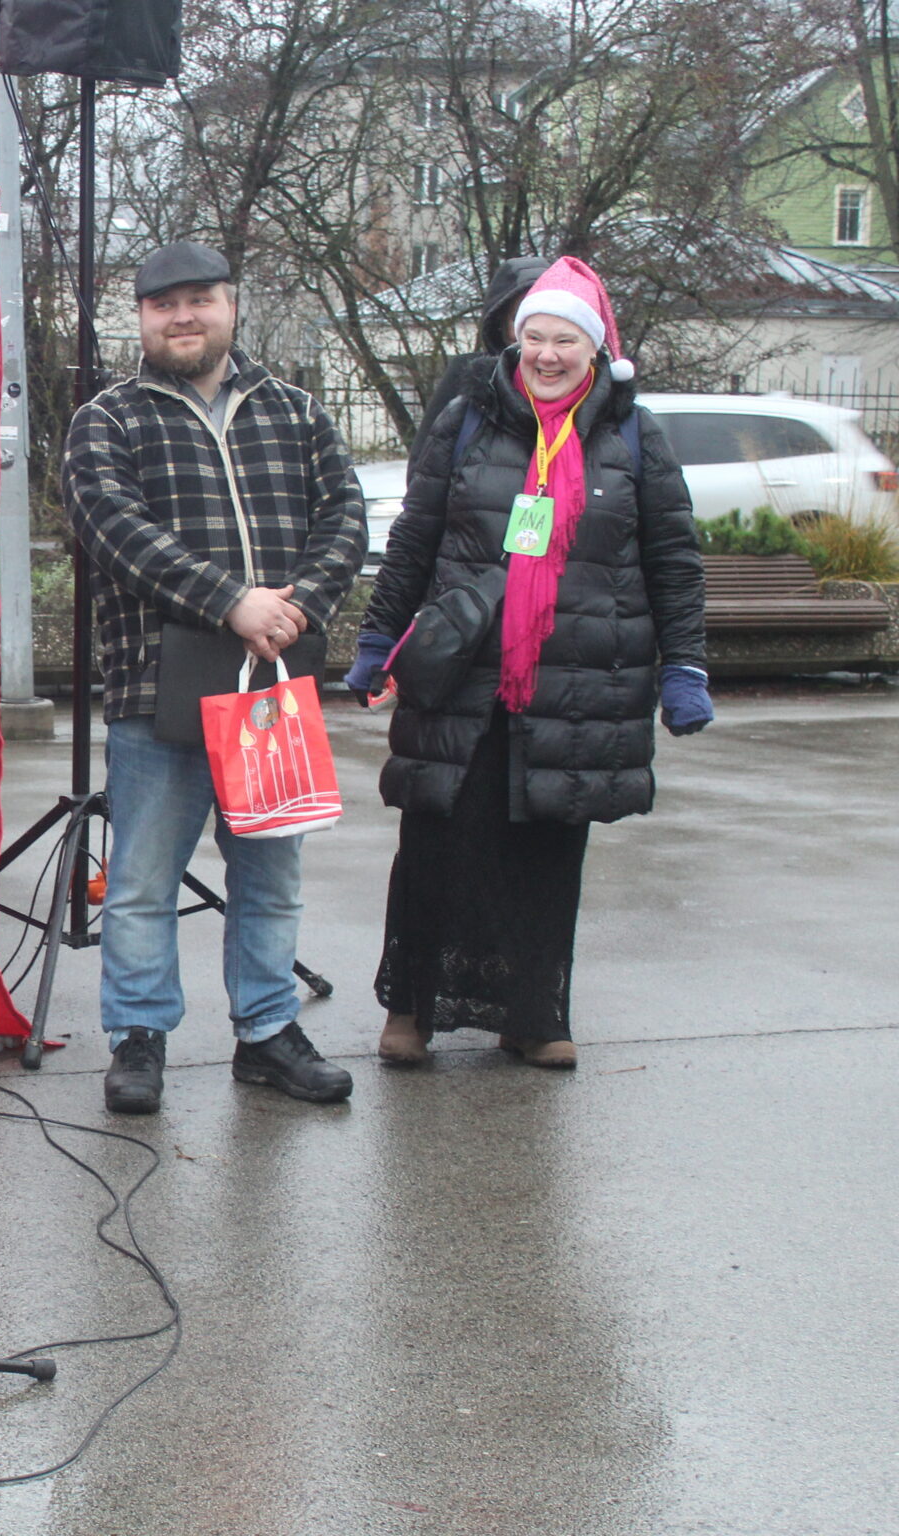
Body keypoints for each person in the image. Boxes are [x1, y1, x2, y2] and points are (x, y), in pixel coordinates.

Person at [345, 257, 710, 1070]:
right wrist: (377, 642)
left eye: (566, 340)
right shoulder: (469, 419)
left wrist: (686, 668)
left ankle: (533, 1016)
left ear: (597, 349)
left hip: (576, 678)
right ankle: (411, 1009)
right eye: (535, 336)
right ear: (516, 341)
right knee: (436, 842)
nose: (547, 354)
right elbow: (414, 539)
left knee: (546, 854)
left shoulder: (635, 436)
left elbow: (674, 560)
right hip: (464, 673)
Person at [63, 241, 367, 1117]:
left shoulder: (297, 412)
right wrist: (232, 602)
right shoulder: (106, 421)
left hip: (270, 689)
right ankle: (138, 1037)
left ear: (231, 305)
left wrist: (296, 607)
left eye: (199, 298)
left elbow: (346, 516)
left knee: (271, 878)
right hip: (155, 690)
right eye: (163, 304)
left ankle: (267, 1031)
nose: (183, 316)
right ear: (141, 318)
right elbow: (116, 532)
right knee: (141, 883)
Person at [416, 255, 550, 438]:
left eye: (543, 318)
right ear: (500, 324)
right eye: (517, 319)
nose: (529, 332)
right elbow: (428, 453)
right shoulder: (465, 386)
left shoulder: (586, 396)